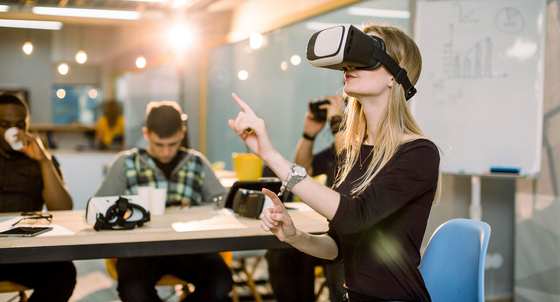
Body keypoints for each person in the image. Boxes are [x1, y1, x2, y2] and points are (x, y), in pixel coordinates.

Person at [228, 23, 441, 302]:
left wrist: (270, 156)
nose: (350, 66)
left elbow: (355, 216)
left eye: (367, 56)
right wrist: (294, 235)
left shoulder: (419, 153)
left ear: (394, 75)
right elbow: (337, 246)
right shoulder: (352, 152)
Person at [93, 101, 233, 302]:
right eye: (159, 144)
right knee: (133, 290)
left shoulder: (196, 162)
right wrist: (131, 208)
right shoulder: (126, 163)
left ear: (182, 133)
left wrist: (197, 208)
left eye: (172, 144)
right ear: (146, 134)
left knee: (221, 282)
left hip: (190, 246)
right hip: (140, 250)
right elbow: (99, 207)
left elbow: (224, 203)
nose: (166, 152)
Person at [266, 94, 346, 302]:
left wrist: (338, 122)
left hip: (349, 237)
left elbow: (349, 159)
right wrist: (309, 134)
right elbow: (302, 169)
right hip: (322, 229)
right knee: (281, 254)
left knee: (341, 269)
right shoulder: (333, 149)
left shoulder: (362, 141)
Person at [0, 92, 76, 301]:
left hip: (24, 251)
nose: (12, 131)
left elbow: (62, 208)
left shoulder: (40, 159)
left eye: (19, 126)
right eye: (4, 124)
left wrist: (43, 160)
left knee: (63, 273)